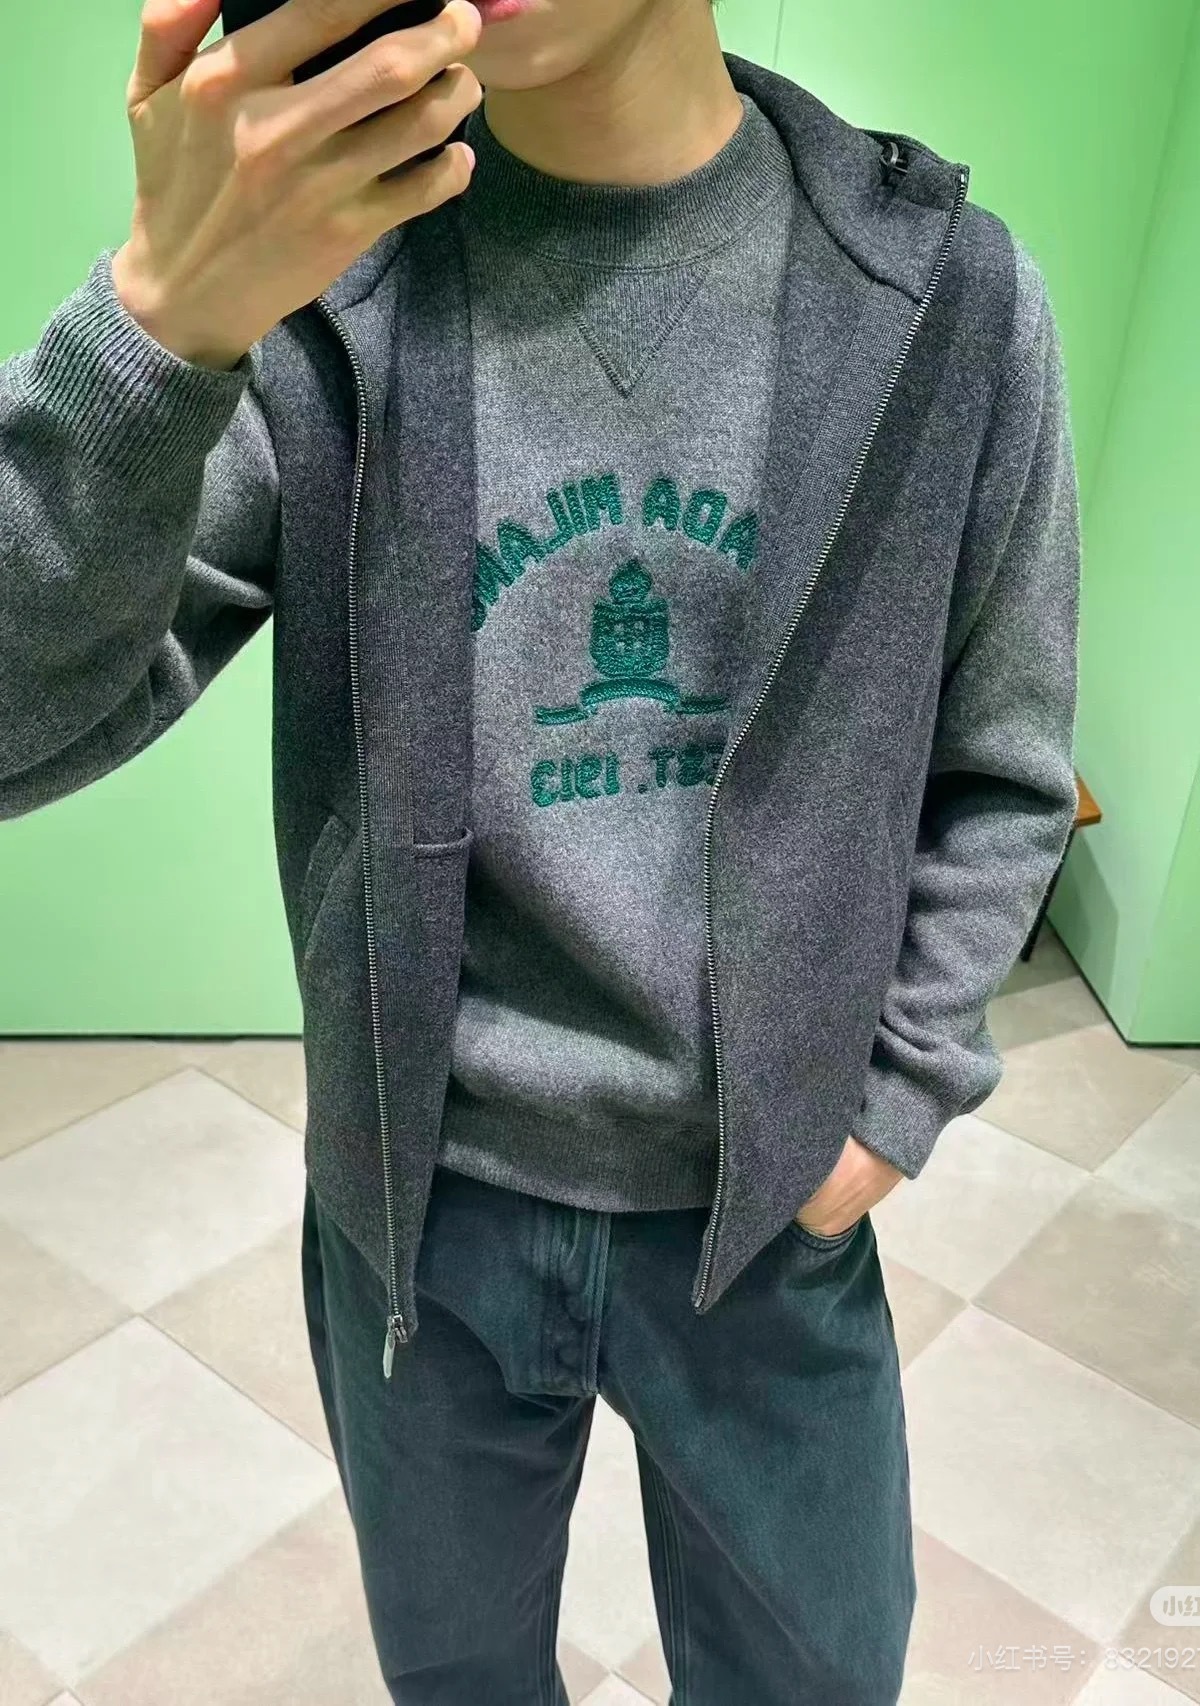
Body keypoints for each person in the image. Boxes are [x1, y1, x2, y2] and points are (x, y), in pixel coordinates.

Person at [0, 0, 1081, 1698]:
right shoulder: (322, 292)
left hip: (767, 1212)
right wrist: (156, 325)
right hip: (420, 1215)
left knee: (818, 1675)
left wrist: (891, 1102)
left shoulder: (946, 297)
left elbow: (1006, 766)